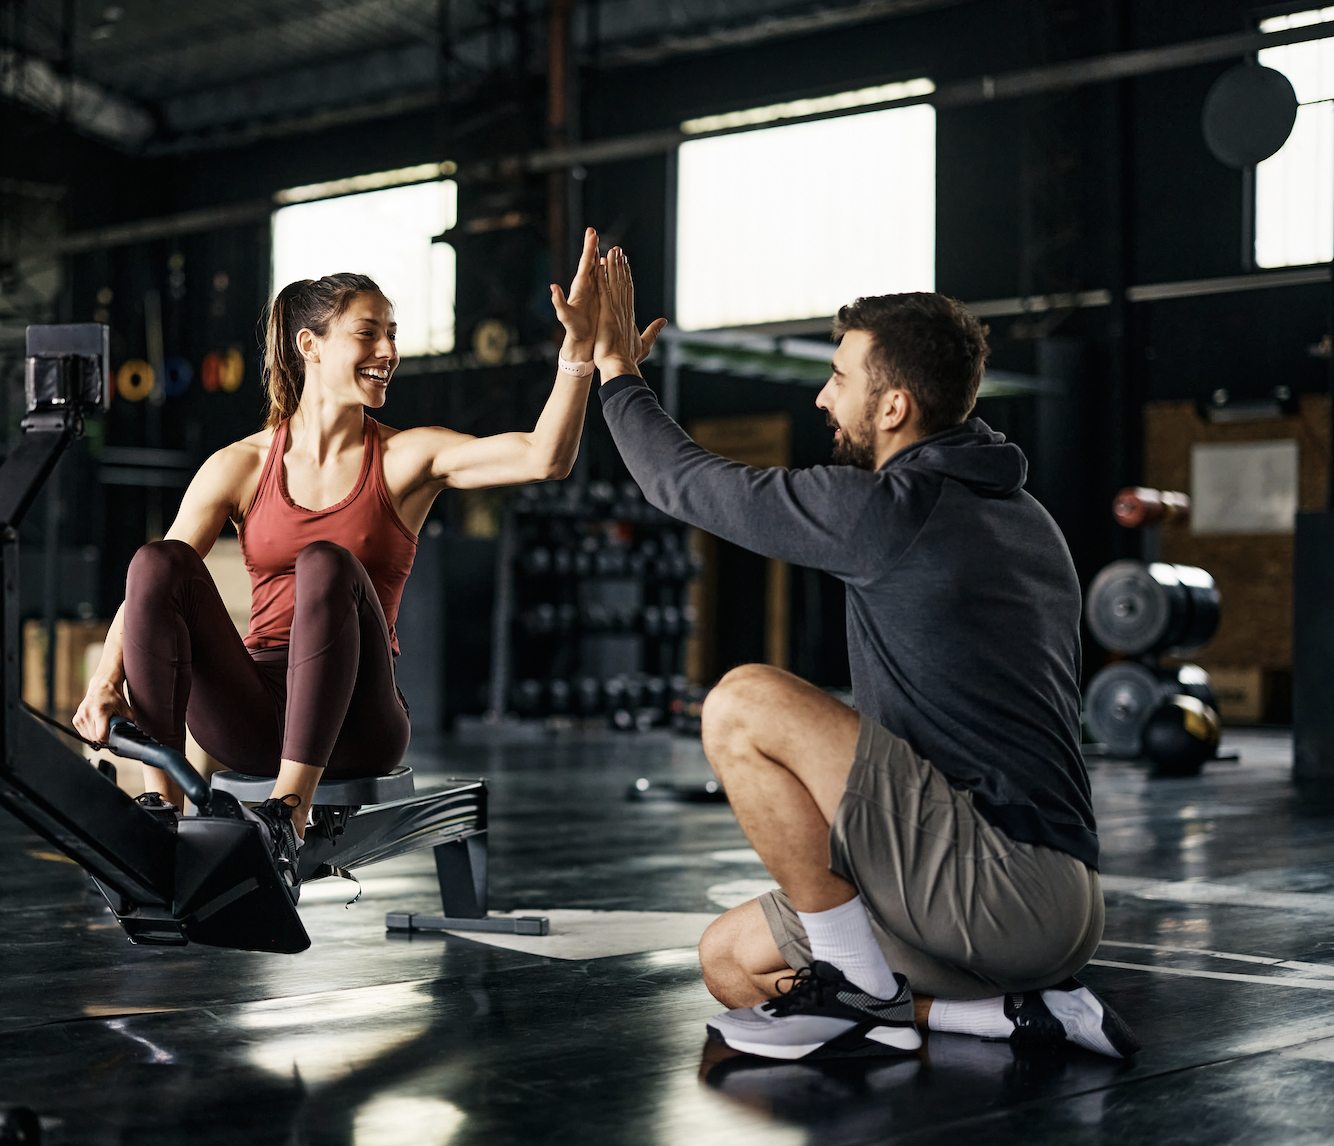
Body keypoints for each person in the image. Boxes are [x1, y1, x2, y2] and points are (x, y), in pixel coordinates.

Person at [588, 249, 1138, 1062]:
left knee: (742, 701)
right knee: (731, 963)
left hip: (998, 884)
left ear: (894, 407)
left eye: (840, 377)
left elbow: (683, 484)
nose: (822, 396)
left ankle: (860, 986)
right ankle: (1008, 1016)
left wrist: (615, 369)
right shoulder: (1024, 513)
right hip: (1054, 899)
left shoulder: (893, 509)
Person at [74, 229, 612, 897]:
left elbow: (543, 458)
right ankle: (164, 815)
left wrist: (579, 352)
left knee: (326, 562)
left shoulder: (407, 457)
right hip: (250, 715)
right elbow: (147, 594)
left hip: (359, 717)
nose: (389, 351)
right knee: (159, 561)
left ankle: (287, 816)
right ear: (311, 345)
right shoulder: (241, 464)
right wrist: (104, 682)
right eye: (369, 333)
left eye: (393, 333)